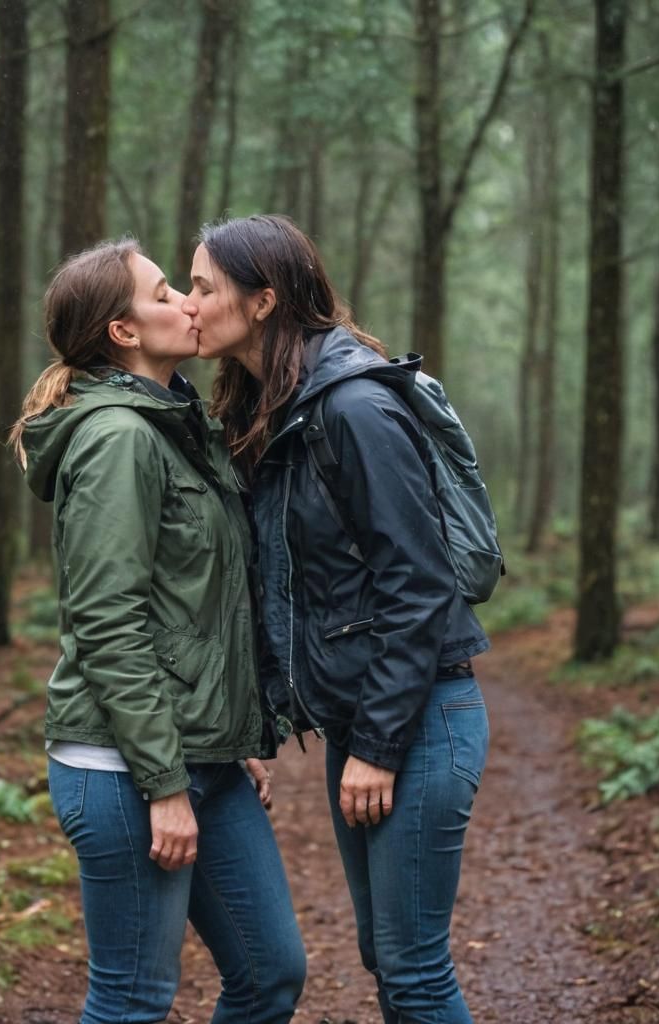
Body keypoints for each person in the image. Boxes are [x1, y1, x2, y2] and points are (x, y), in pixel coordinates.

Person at [183, 215, 490, 1023]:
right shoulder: (272, 408)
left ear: (262, 302)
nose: (189, 304)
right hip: (365, 722)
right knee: (385, 957)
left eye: (204, 286)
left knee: (414, 969)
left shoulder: (352, 406)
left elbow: (419, 585)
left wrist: (382, 747)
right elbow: (283, 590)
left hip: (421, 720)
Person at [11, 238, 306, 1024]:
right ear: (124, 333)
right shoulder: (119, 440)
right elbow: (109, 625)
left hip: (197, 753)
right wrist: (165, 785)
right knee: (134, 997)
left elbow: (198, 604)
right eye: (165, 290)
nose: (188, 300)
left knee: (270, 973)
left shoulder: (176, 425)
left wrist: (229, 726)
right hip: (123, 768)